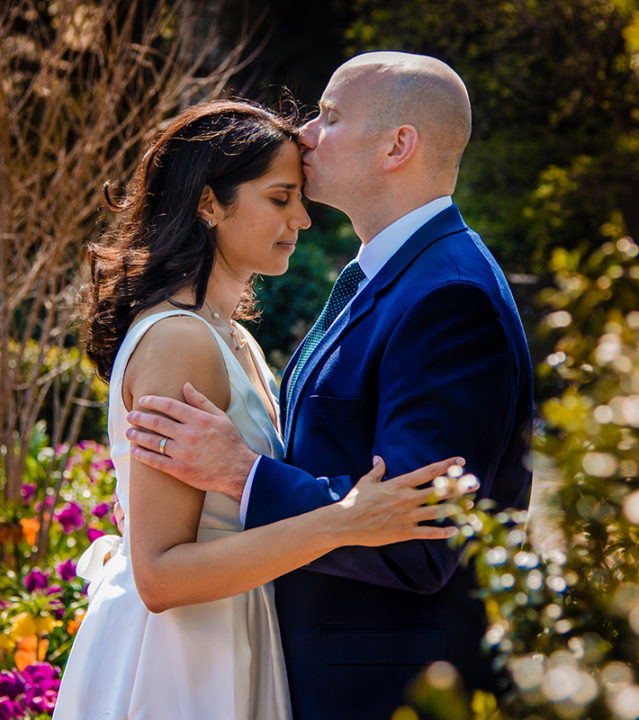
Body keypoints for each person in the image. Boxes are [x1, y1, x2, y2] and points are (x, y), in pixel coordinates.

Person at [126, 52, 534, 719]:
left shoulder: (450, 296)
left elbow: (420, 534)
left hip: (387, 689)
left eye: (330, 115)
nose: (307, 133)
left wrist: (241, 473)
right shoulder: (387, 276)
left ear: (398, 146)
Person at [53, 99, 470, 720]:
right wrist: (346, 519)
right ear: (208, 202)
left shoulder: (234, 338)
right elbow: (160, 576)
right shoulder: (180, 341)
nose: (302, 218)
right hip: (179, 661)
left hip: (239, 635)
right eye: (280, 197)